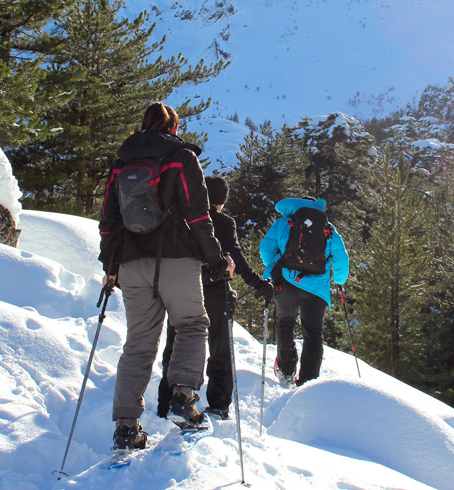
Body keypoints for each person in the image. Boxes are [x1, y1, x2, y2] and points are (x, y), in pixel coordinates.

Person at [99, 102, 232, 451]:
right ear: (173, 127)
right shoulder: (181, 157)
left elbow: (109, 222)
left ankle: (126, 427)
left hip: (131, 262)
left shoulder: (122, 163)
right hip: (176, 258)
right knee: (191, 324)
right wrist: (215, 258)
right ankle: (184, 398)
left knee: (139, 342)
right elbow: (198, 214)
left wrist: (110, 268)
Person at [157, 176, 276, 420]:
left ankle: (166, 401)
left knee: (176, 342)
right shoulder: (223, 222)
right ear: (221, 200)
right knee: (219, 348)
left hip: (181, 287)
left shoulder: (183, 219)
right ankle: (219, 404)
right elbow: (236, 259)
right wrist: (259, 284)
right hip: (214, 289)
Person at [260, 196, 349, 386]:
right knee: (313, 333)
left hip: (287, 282)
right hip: (316, 287)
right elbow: (341, 257)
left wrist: (274, 265)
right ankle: (309, 380)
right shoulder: (328, 228)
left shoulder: (283, 223)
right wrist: (339, 280)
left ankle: (286, 369)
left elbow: (266, 249)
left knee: (285, 323)